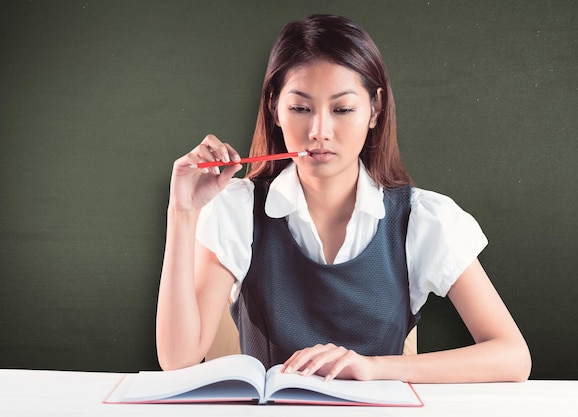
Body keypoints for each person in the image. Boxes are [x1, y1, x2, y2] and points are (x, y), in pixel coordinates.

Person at [156, 14, 531, 383]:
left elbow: (512, 356)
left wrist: (374, 368)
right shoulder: (237, 210)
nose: (319, 131)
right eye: (300, 108)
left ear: (375, 110)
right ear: (274, 108)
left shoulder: (422, 219)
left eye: (343, 109)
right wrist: (182, 212)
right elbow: (178, 359)